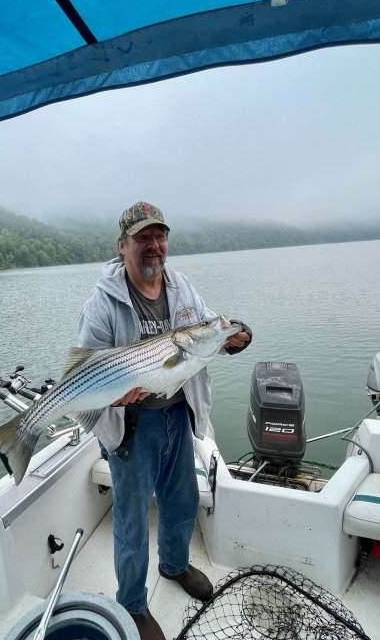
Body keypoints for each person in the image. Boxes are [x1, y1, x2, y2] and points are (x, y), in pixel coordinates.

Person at [77, 202, 252, 639]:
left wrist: (233, 336)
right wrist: (116, 399)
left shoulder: (183, 286)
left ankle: (174, 566)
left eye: (160, 236)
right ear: (122, 247)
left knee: (182, 503)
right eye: (142, 238)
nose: (154, 246)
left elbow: (209, 333)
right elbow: (87, 369)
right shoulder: (101, 303)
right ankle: (133, 605)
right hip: (132, 425)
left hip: (179, 413)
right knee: (132, 518)